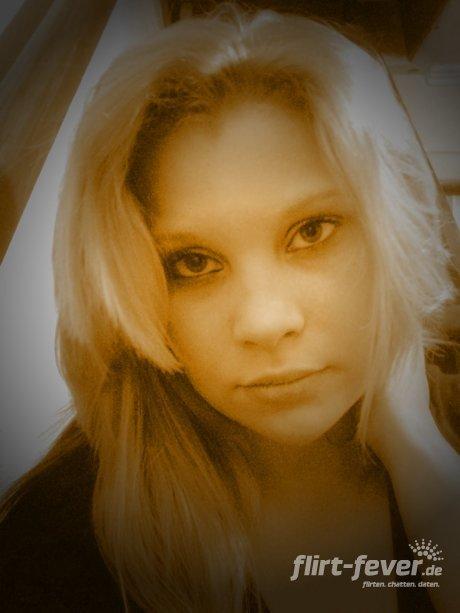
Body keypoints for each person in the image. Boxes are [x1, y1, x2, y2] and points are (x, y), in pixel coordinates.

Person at [1, 4, 459, 612]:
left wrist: (423, 462)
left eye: (312, 231)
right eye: (193, 263)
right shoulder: (58, 543)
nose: (266, 323)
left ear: (395, 229)